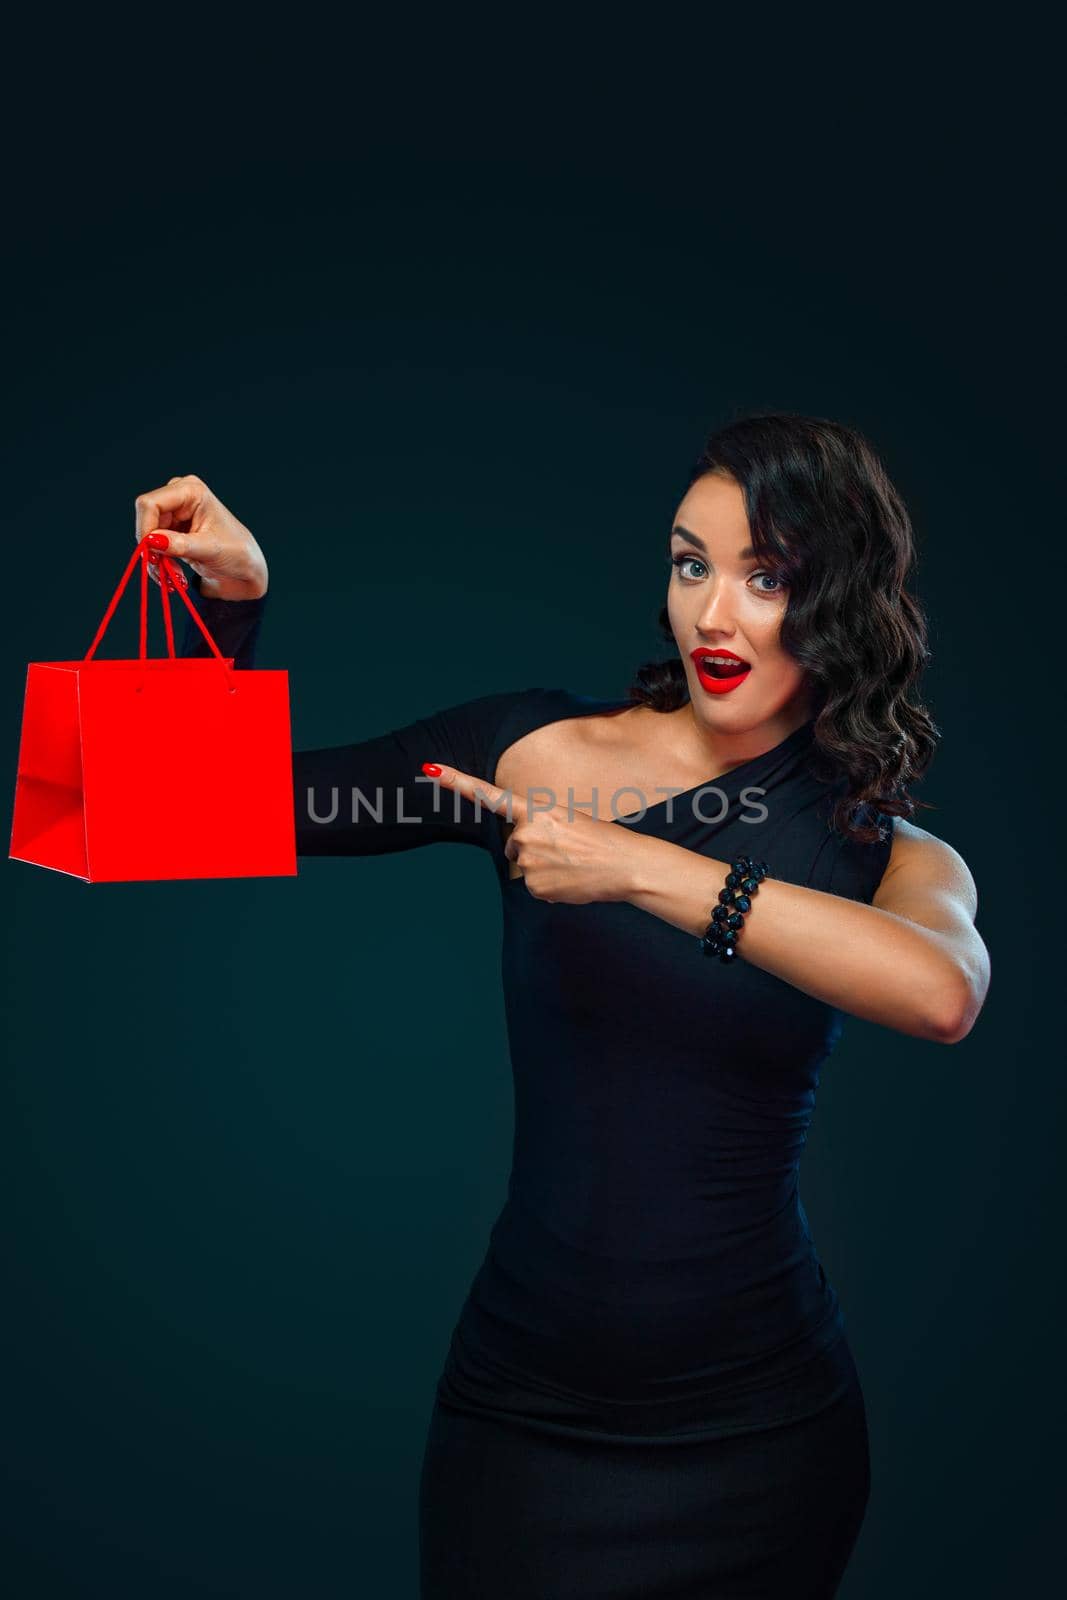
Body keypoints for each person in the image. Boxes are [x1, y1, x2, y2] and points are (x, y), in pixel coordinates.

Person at [134, 413, 990, 1598]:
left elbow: (940, 991)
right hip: (523, 1427)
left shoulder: (882, 854)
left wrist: (636, 866)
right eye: (691, 563)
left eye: (767, 575)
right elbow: (176, 803)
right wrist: (225, 610)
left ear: (836, 599)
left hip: (759, 1439)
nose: (713, 615)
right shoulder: (533, 755)